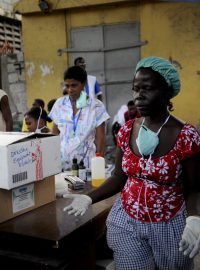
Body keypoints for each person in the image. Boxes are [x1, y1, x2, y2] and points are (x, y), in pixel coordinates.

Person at [62, 56, 200, 270]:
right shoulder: (127, 130)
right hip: (127, 221)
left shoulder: (186, 135)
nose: (138, 96)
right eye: (135, 89)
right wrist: (88, 199)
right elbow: (119, 177)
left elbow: (193, 187)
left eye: (147, 89)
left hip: (170, 225)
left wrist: (194, 219)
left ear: (166, 92)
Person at [49, 65, 110, 170]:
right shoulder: (59, 104)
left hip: (86, 165)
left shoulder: (96, 106)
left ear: (83, 84)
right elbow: (54, 134)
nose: (70, 90)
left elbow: (101, 138)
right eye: (67, 86)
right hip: (62, 165)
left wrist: (98, 163)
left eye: (74, 85)